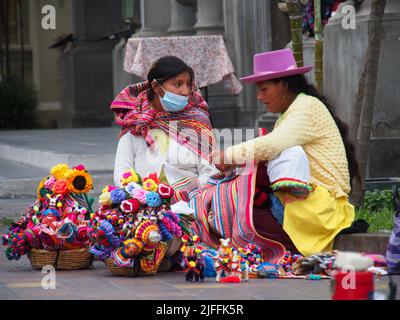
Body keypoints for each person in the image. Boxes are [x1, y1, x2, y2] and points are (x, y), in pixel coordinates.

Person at [200, 48, 357, 260]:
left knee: (242, 215)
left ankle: (285, 252)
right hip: (307, 204)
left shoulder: (306, 108)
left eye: (264, 89)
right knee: (238, 203)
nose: (259, 97)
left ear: (283, 85)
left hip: (321, 209)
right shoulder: (292, 112)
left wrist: (228, 155)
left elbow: (272, 145)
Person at [111, 55, 218, 192]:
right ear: (156, 86)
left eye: (188, 85)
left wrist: (181, 193)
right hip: (142, 206)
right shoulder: (136, 121)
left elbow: (210, 172)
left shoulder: (198, 122)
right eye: (177, 84)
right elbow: (122, 171)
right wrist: (140, 195)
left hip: (189, 205)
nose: (185, 91)